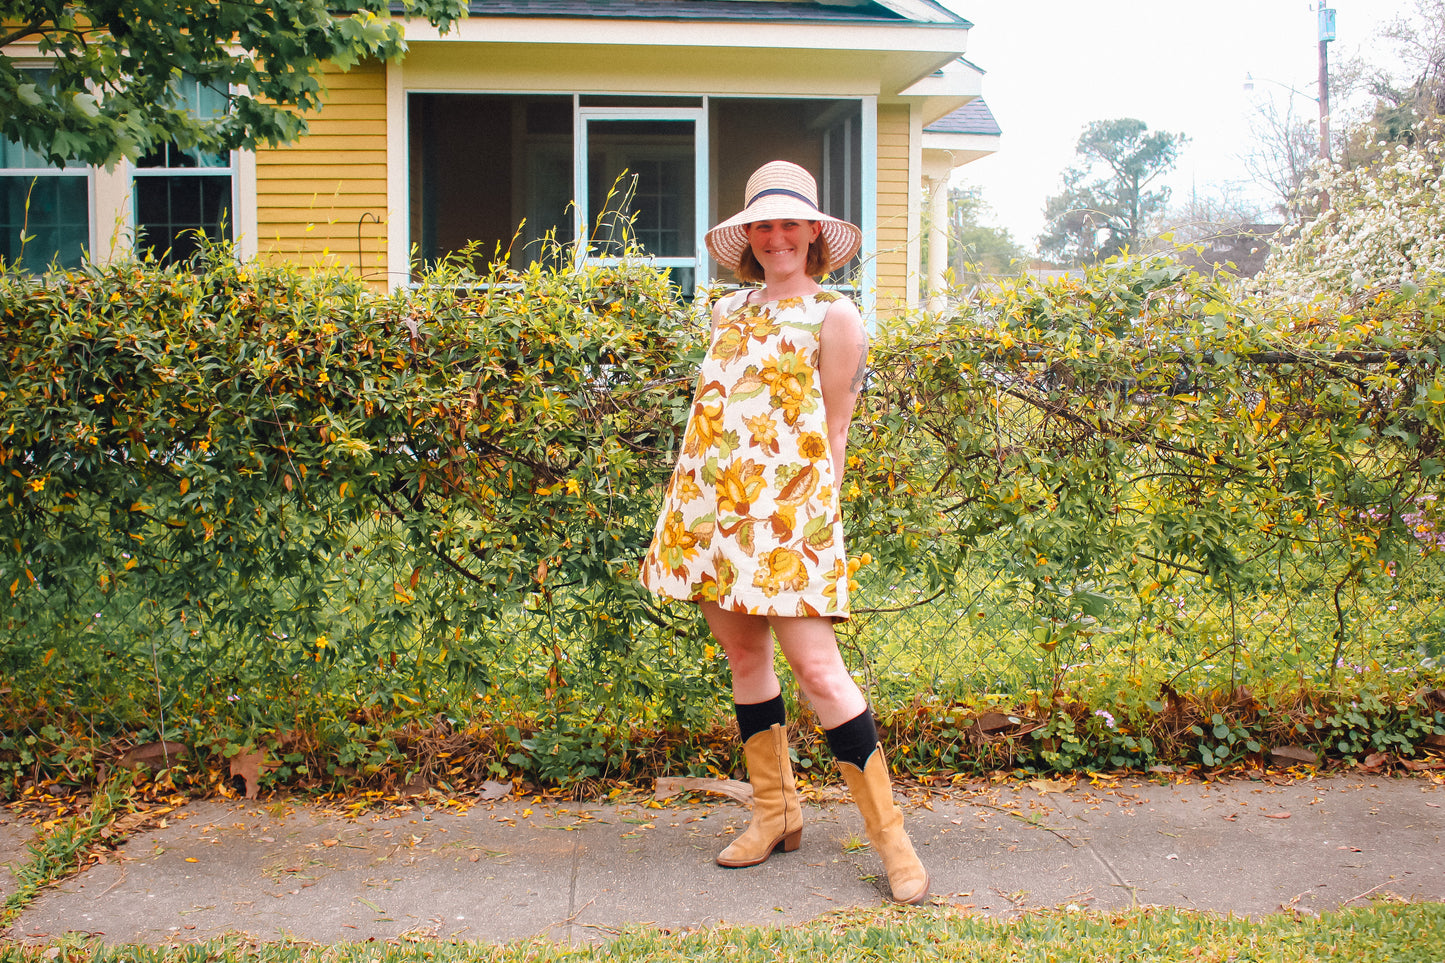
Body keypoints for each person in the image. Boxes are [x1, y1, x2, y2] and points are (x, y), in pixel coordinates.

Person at [639, 160, 928, 905]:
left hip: (788, 520)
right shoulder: (725, 312)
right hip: (711, 511)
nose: (776, 237)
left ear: (812, 233)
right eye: (762, 224)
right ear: (748, 236)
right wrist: (691, 509)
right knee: (743, 657)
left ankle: (892, 840)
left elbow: (834, 428)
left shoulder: (834, 314)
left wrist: (814, 525)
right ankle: (775, 813)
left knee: (821, 674)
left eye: (788, 223)